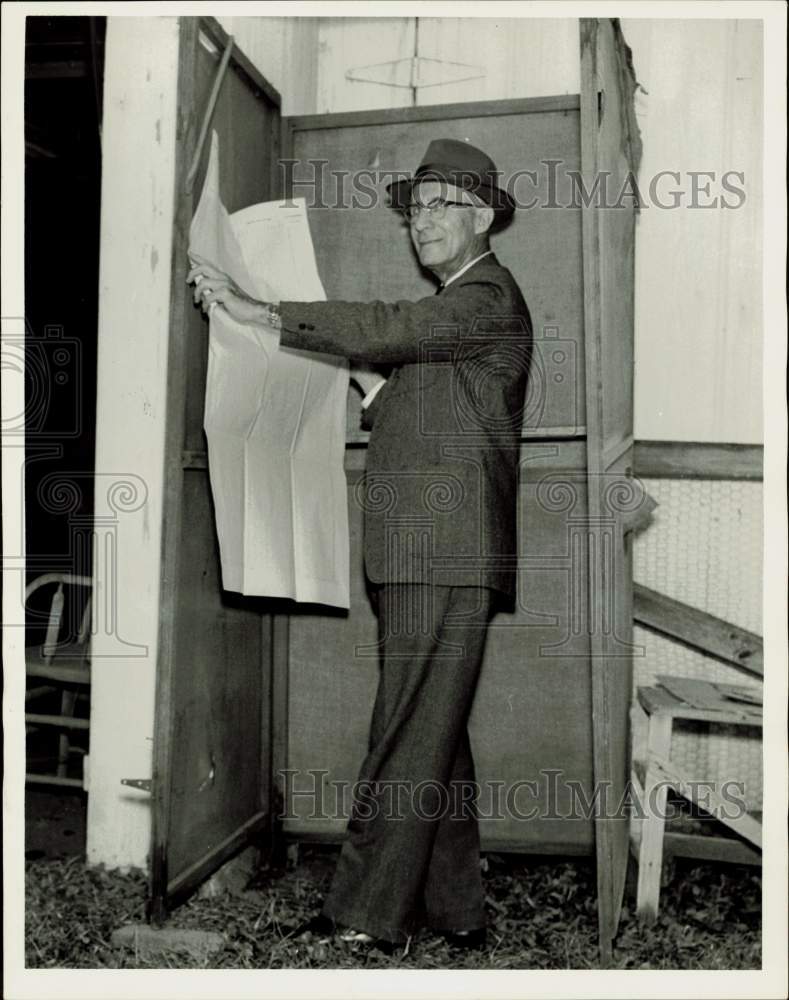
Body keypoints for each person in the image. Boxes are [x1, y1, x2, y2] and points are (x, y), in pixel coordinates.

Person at [188, 138, 532, 953]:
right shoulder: (459, 312)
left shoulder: (481, 297)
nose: (423, 222)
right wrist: (323, 355)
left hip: (440, 549)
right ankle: (456, 912)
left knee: (405, 729)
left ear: (483, 215)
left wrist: (260, 310)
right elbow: (403, 383)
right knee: (431, 732)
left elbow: (388, 327)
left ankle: (363, 915)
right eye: (415, 209)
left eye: (442, 205)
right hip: (432, 548)